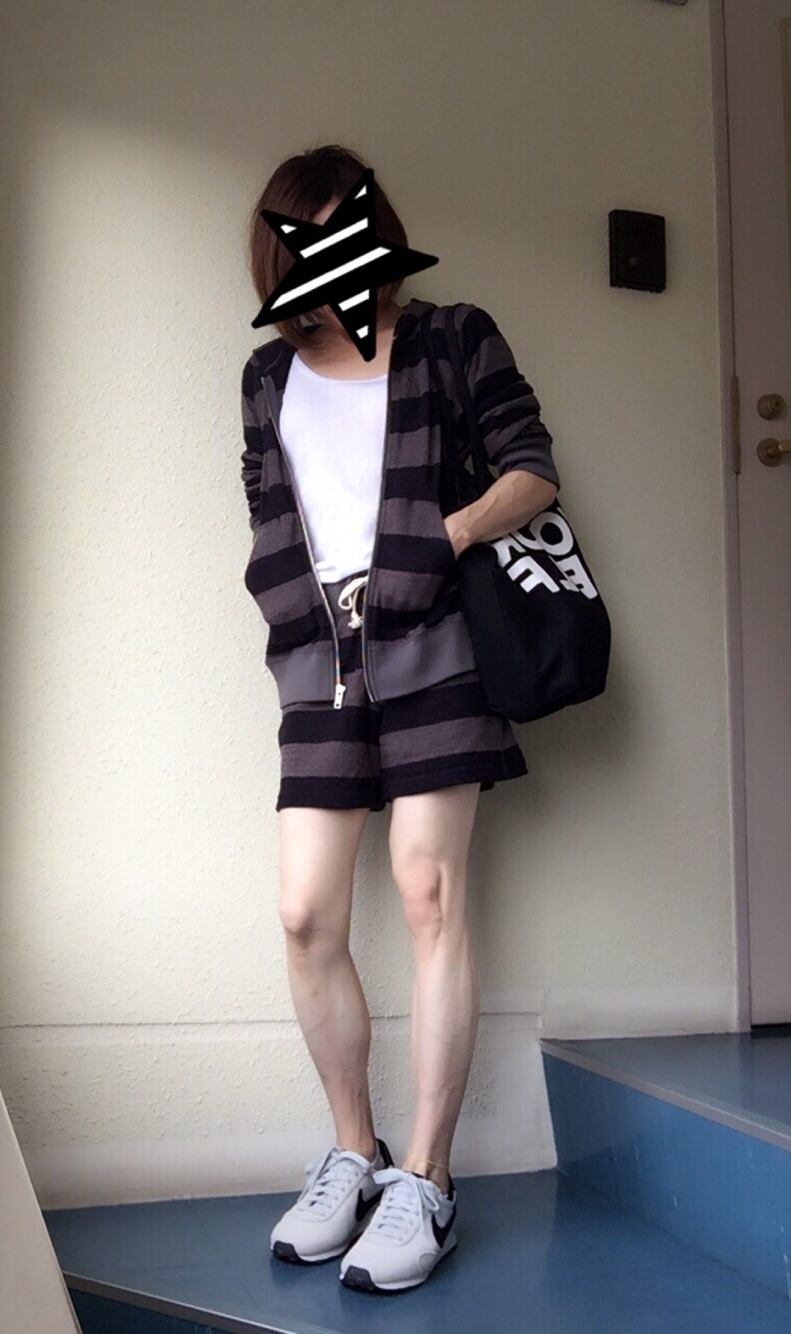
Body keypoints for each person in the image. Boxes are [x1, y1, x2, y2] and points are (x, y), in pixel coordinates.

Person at [239, 145, 560, 1294]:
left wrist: (441, 537)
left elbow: (532, 472)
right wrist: (293, 613)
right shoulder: (267, 375)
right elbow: (267, 512)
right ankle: (354, 1152)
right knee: (304, 913)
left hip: (435, 643)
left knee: (427, 893)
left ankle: (426, 1175)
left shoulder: (451, 336)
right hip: (321, 659)